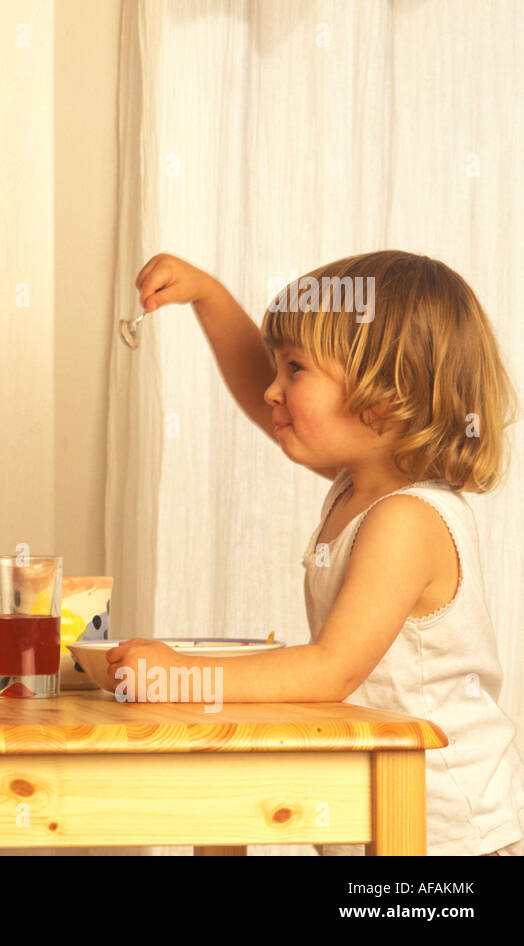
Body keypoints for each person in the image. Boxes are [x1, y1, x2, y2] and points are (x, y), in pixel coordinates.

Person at [110, 251, 524, 856]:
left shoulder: (406, 519)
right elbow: (263, 397)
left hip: (448, 839)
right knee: (224, 787)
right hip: (382, 813)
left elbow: (333, 669)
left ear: (384, 395)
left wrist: (181, 675)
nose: (273, 389)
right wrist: (208, 295)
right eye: (279, 367)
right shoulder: (358, 487)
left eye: (295, 369)